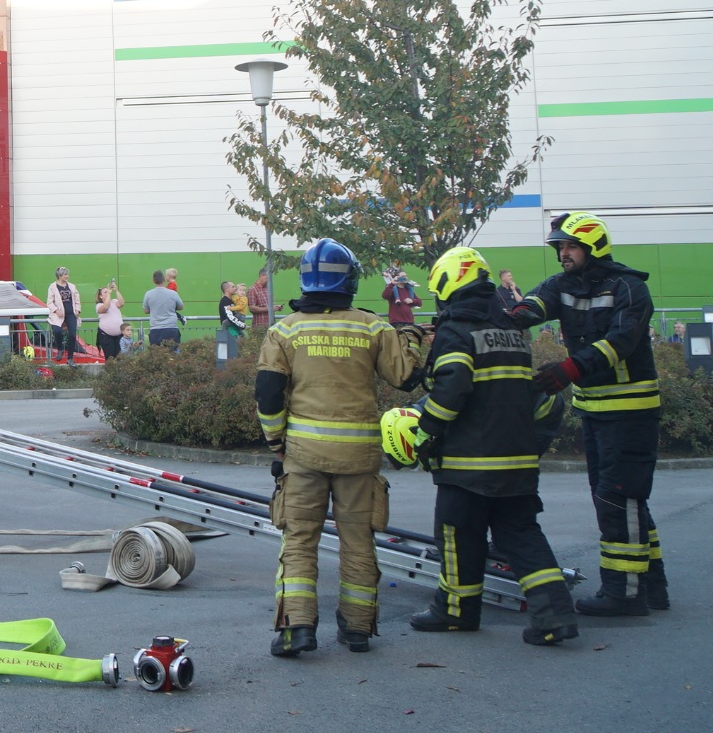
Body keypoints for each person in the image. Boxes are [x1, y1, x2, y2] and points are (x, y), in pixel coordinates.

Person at [395, 246, 578, 646]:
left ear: (449, 284)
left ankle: (456, 612)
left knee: (458, 534)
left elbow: (453, 388)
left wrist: (426, 432)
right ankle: (556, 616)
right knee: (522, 536)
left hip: (469, 462)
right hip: (517, 458)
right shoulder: (511, 327)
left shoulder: (456, 329)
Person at [255, 238, 421, 657]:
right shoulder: (372, 327)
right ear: (349, 280)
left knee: (298, 541)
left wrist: (277, 441)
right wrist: (414, 337)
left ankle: (297, 629)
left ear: (306, 281)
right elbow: (404, 377)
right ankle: (358, 629)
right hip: (359, 459)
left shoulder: (285, 330)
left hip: (303, 457)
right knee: (358, 541)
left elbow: (269, 394)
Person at [504, 212, 667, 617]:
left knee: (618, 499)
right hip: (595, 412)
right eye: (559, 247)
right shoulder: (564, 285)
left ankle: (624, 595)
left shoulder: (630, 288)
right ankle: (652, 585)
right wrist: (498, 318)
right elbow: (533, 306)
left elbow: (621, 342)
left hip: (631, 411)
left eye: (570, 246)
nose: (563, 253)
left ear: (593, 248)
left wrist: (570, 370)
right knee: (623, 500)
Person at [43, 267, 83, 365]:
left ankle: (70, 358)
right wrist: (56, 310)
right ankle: (60, 349)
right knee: (57, 331)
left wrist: (77, 310)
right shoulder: (52, 287)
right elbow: (49, 302)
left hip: (71, 313)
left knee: (72, 335)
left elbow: (77, 299)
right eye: (65, 274)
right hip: (59, 314)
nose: (67, 276)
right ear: (60, 276)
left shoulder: (72, 286)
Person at [143, 269, 184, 348]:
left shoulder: (148, 294)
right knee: (173, 355)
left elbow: (146, 310)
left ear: (153, 281)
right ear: (164, 280)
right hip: (171, 328)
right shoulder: (173, 293)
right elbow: (181, 306)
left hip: (155, 329)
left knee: (156, 356)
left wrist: (156, 308)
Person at [218, 280, 250, 358]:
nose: (235, 288)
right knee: (234, 351)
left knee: (244, 344)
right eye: (233, 287)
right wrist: (242, 325)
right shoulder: (224, 301)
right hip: (230, 329)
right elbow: (230, 317)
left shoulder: (232, 299)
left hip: (236, 327)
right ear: (227, 289)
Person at [95, 282, 126, 361]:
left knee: (119, 358)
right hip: (106, 337)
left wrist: (116, 290)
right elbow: (106, 307)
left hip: (118, 336)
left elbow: (122, 303)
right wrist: (109, 293)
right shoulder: (99, 305)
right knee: (110, 358)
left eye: (107, 291)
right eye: (105, 292)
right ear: (100, 296)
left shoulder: (114, 301)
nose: (108, 292)